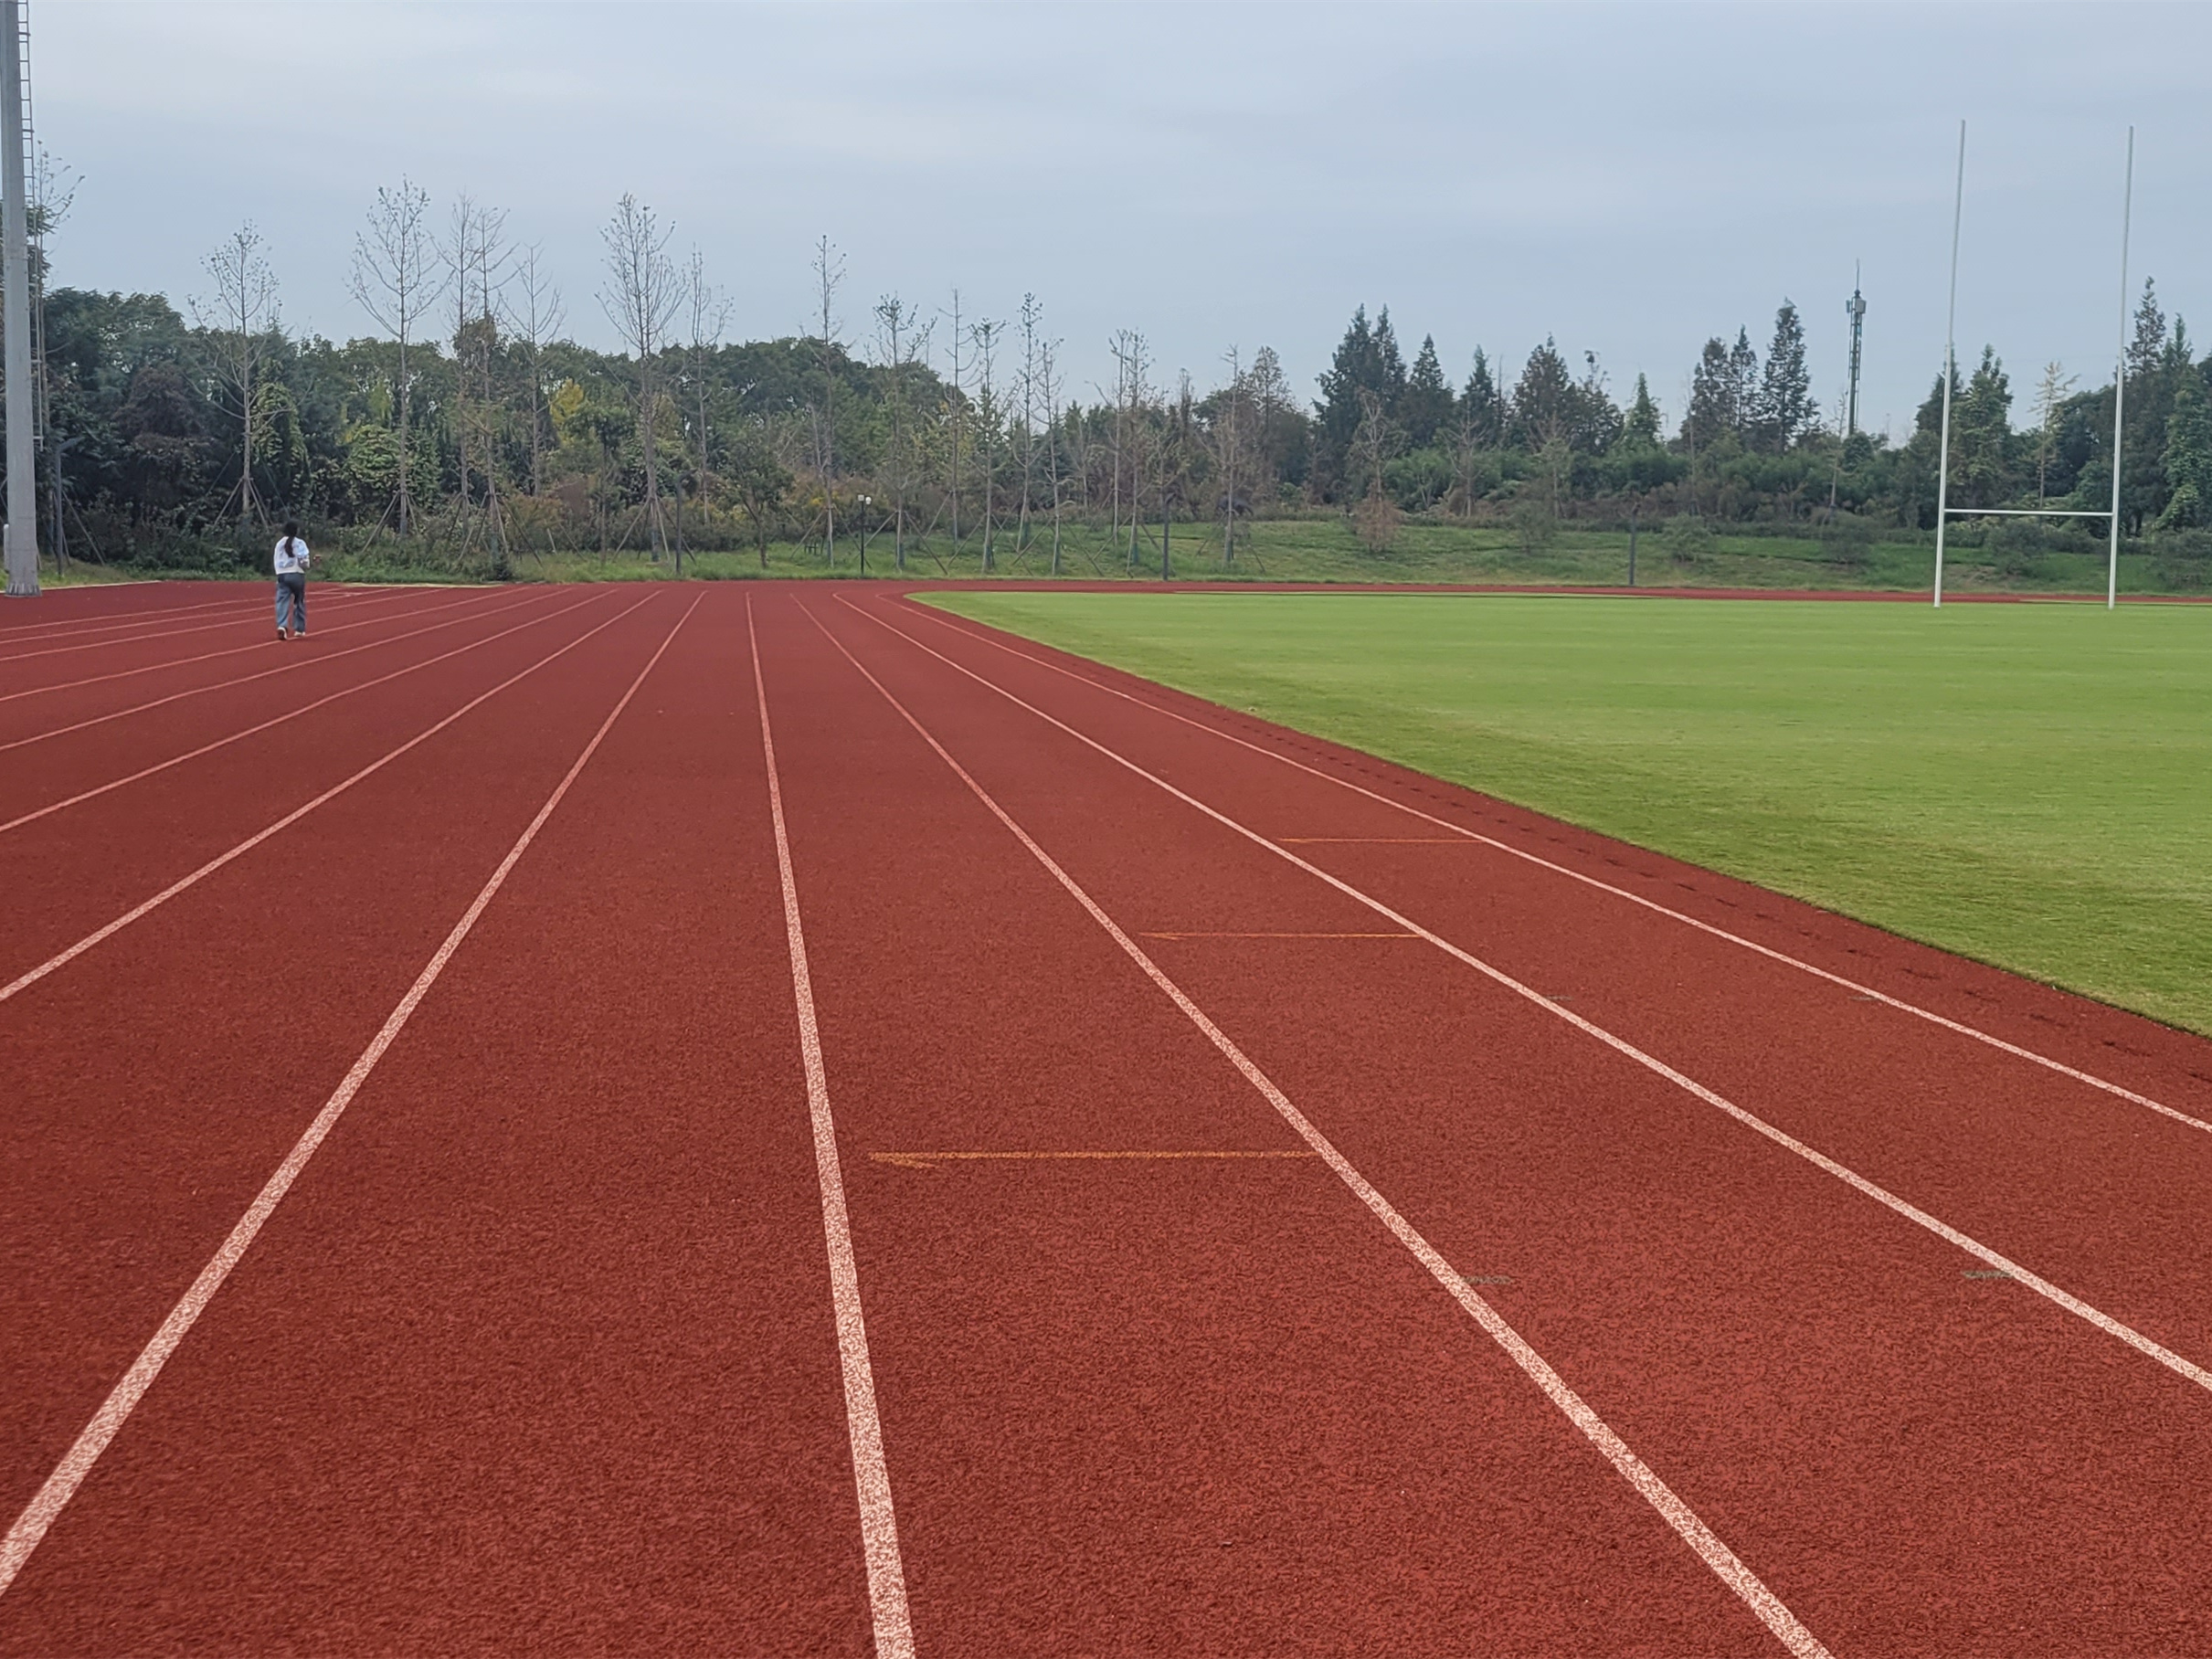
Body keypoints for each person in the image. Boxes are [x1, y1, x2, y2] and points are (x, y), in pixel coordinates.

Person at [274, 521, 311, 639]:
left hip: (281, 574)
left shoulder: (279, 544)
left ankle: (282, 625)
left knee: (282, 601)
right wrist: (307, 566)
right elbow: (303, 560)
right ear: (296, 531)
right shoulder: (300, 543)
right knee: (299, 600)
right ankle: (299, 628)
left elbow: (276, 560)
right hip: (296, 573)